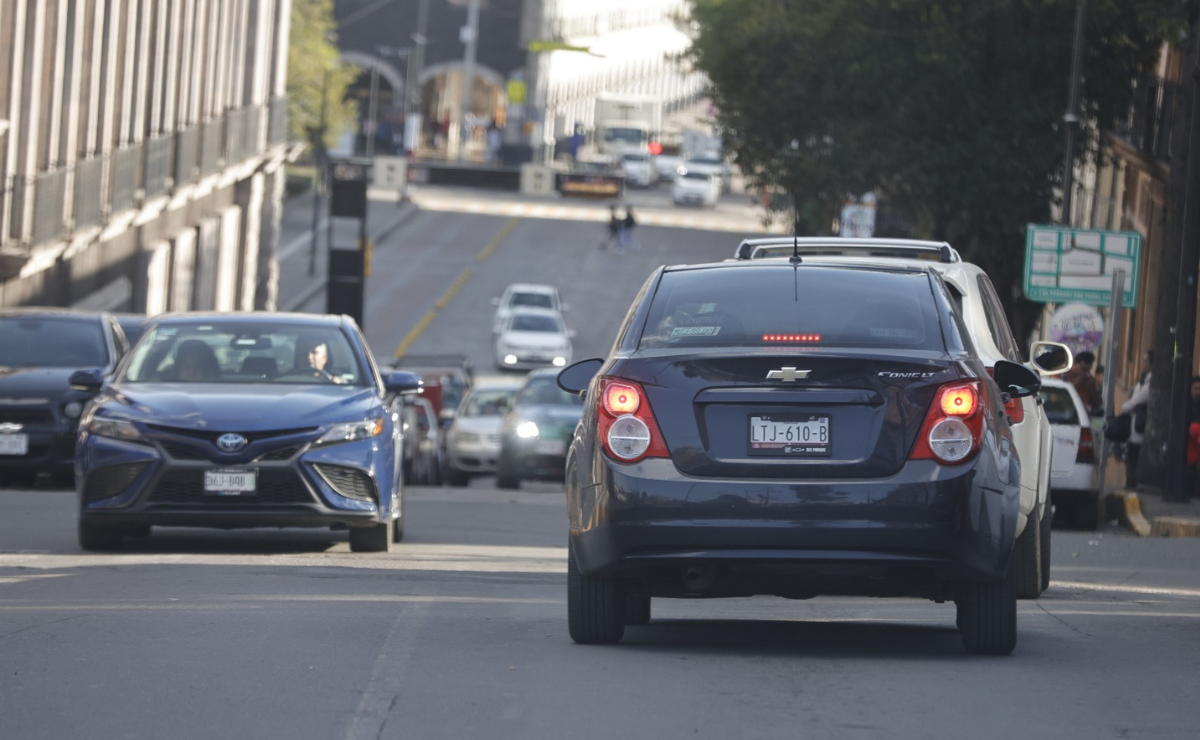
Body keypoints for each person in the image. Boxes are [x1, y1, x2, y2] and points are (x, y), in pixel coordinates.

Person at [1121, 350, 1153, 489]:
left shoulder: (1150, 384)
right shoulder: (1143, 380)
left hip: (1141, 425)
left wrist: (1124, 407)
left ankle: (1133, 482)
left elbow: (1133, 402)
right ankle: (1131, 481)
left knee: (1133, 455)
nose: (1143, 363)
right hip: (1136, 425)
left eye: (1146, 360)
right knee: (1131, 454)